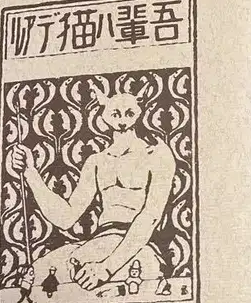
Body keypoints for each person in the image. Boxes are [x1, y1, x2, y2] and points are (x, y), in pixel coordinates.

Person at [10, 87, 175, 292]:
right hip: (100, 240)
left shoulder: (156, 154)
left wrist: (106, 268)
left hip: (133, 243)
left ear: (140, 111)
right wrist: (30, 173)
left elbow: (151, 215)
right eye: (115, 113)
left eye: (129, 113)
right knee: (35, 273)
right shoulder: (96, 161)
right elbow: (66, 217)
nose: (122, 120)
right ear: (104, 113)